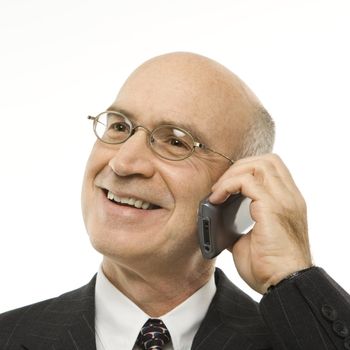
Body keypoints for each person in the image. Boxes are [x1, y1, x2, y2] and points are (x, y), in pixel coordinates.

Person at [1, 52, 349, 350]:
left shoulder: (296, 338)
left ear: (238, 195)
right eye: (120, 127)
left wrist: (294, 276)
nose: (122, 162)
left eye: (176, 142)